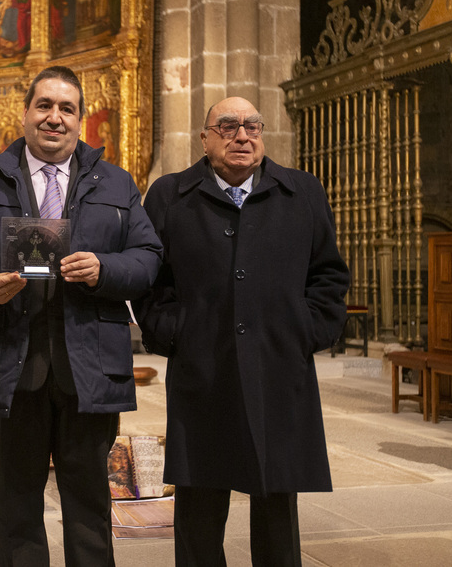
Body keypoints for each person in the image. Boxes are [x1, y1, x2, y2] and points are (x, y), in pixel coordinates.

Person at [0, 65, 162, 565]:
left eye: (67, 108)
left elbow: (149, 257)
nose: (54, 118)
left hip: (88, 366)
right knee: (16, 504)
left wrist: (104, 267)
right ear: (25, 114)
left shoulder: (116, 182)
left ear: (81, 120)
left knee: (88, 505)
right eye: (44, 105)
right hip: (9, 363)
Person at [133, 96, 350, 566]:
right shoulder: (170, 195)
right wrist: (175, 333)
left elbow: (329, 276)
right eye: (228, 126)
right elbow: (151, 281)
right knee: (200, 509)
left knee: (276, 509)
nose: (243, 135)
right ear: (206, 138)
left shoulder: (302, 191)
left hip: (278, 369)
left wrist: (304, 332)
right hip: (203, 372)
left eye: (252, 125)